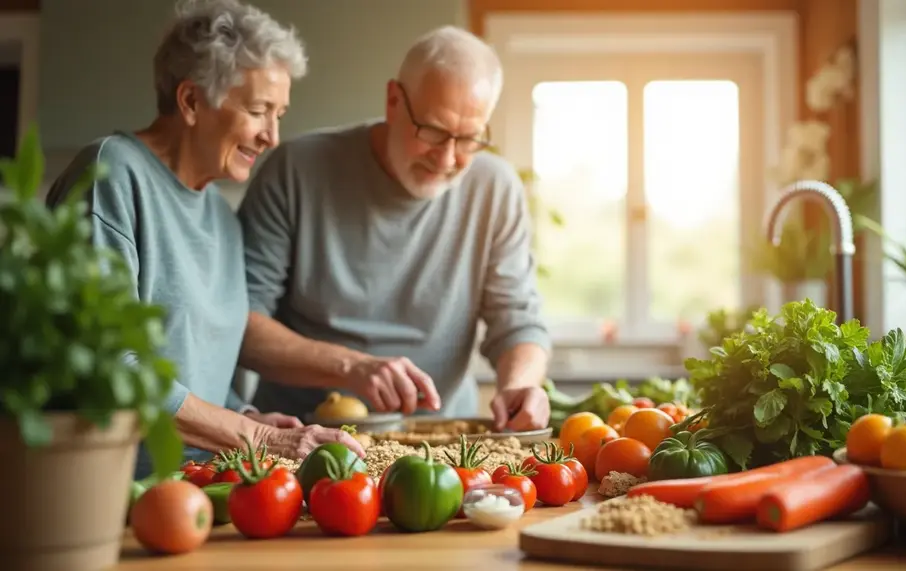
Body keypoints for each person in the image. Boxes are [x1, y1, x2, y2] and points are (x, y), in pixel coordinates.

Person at [45, 0, 363, 479]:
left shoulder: (221, 215)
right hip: (110, 491)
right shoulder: (111, 174)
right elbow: (109, 362)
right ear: (191, 101)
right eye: (258, 111)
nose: (273, 137)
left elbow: (201, 369)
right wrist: (261, 437)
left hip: (203, 487)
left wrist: (244, 414)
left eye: (280, 114)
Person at [236, 25, 552, 432]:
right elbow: (241, 322)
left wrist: (521, 385)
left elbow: (518, 319)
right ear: (393, 101)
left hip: (442, 436)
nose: (447, 159)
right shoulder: (296, 170)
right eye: (433, 132)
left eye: (470, 138)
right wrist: (350, 367)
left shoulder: (496, 187)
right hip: (303, 435)